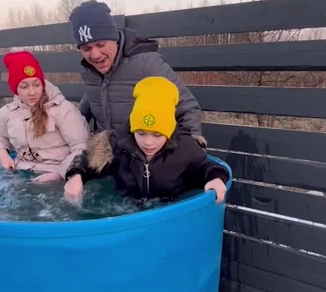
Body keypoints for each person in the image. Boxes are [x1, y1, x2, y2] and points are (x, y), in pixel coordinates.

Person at [64, 76, 231, 204]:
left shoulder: (185, 149)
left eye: (157, 135)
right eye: (141, 133)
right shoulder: (117, 145)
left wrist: (216, 179)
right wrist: (76, 176)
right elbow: (87, 162)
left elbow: (206, 167)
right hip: (126, 209)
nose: (148, 142)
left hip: (170, 210)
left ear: (169, 131)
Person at [70, 0, 205, 143]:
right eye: (86, 48)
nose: (95, 55)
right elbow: (92, 100)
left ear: (114, 38)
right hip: (104, 155)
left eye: (100, 44)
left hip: (143, 155)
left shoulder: (147, 64)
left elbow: (188, 109)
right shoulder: (90, 71)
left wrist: (189, 151)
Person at [0, 51, 89, 183]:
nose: (32, 92)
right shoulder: (7, 112)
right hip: (21, 173)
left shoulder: (63, 110)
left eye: (37, 85)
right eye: (24, 87)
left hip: (58, 175)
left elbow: (81, 147)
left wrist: (59, 174)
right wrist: (2, 153)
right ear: (15, 89)